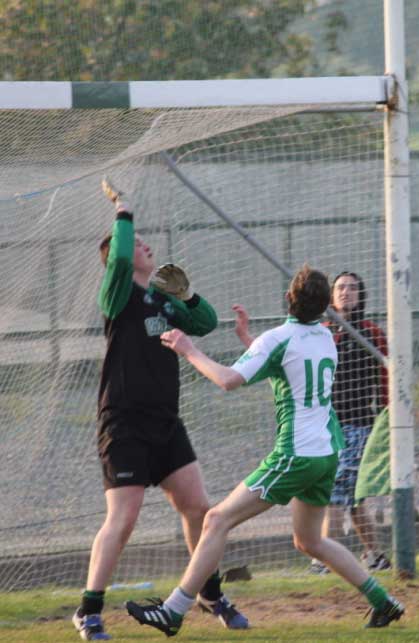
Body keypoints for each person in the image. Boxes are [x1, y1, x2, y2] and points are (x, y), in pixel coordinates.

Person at [125, 265, 404, 636]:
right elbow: (290, 365)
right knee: (310, 540)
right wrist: (249, 341)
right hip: (326, 451)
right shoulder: (324, 335)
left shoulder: (278, 338)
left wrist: (188, 349)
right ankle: (383, 602)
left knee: (215, 520)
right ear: (325, 308)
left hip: (296, 454)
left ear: (288, 298)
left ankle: (174, 611)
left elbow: (227, 380)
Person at [72, 179, 248, 641]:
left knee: (198, 507)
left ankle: (208, 593)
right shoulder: (116, 296)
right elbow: (123, 247)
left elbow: (206, 324)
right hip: (124, 423)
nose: (145, 248)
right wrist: (123, 208)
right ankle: (88, 611)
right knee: (123, 519)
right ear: (118, 260)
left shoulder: (162, 301)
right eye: (136, 246)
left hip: (165, 422)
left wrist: (187, 295)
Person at [309, 271, 391, 574]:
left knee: (335, 491)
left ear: (361, 295)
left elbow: (386, 380)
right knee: (353, 498)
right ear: (331, 296)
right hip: (324, 427)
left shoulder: (371, 332)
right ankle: (375, 555)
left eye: (353, 288)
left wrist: (388, 419)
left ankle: (322, 558)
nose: (346, 292)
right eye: (341, 287)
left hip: (358, 425)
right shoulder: (320, 331)